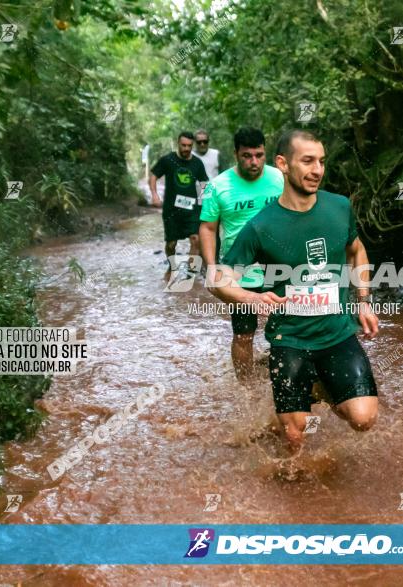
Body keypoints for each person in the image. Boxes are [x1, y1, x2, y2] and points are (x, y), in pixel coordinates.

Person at [207, 129, 379, 452]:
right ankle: (304, 399)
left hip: (337, 336)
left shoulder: (339, 207)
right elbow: (217, 279)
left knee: (363, 418)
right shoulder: (261, 226)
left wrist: (364, 301)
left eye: (322, 162)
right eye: (308, 161)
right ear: (283, 164)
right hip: (290, 343)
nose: (317, 170)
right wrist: (252, 297)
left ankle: (320, 388)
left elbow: (357, 251)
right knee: (294, 440)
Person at [199, 127, 284, 381]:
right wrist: (212, 267)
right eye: (247, 156)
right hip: (239, 273)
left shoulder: (280, 178)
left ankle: (283, 381)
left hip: (280, 269)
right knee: (244, 334)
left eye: (259, 155)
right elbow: (207, 227)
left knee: (285, 332)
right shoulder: (219, 186)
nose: (254, 162)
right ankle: (247, 389)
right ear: (236, 153)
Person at [149, 132, 209, 281]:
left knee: (196, 239)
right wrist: (154, 194)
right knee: (171, 244)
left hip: (192, 209)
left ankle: (189, 274)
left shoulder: (197, 163)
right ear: (178, 144)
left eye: (189, 146)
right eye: (184, 145)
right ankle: (172, 266)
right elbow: (153, 175)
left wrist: (206, 204)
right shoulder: (168, 160)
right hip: (171, 210)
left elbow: (204, 184)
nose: (186, 148)